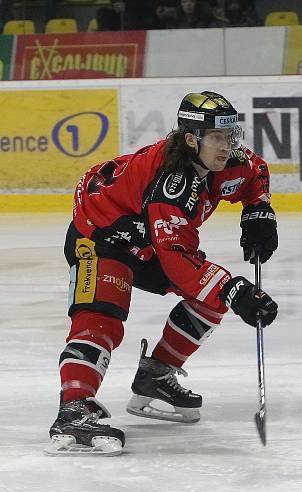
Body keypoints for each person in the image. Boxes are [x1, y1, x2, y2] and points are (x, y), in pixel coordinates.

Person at [45, 91, 279, 456]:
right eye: (218, 137)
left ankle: (154, 376)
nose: (228, 145)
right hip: (102, 234)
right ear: (191, 139)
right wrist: (234, 289)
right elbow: (178, 261)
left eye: (231, 134)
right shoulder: (172, 185)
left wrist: (258, 209)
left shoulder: (226, 159)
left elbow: (255, 171)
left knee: (211, 297)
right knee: (101, 320)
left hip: (150, 239)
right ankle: (73, 408)